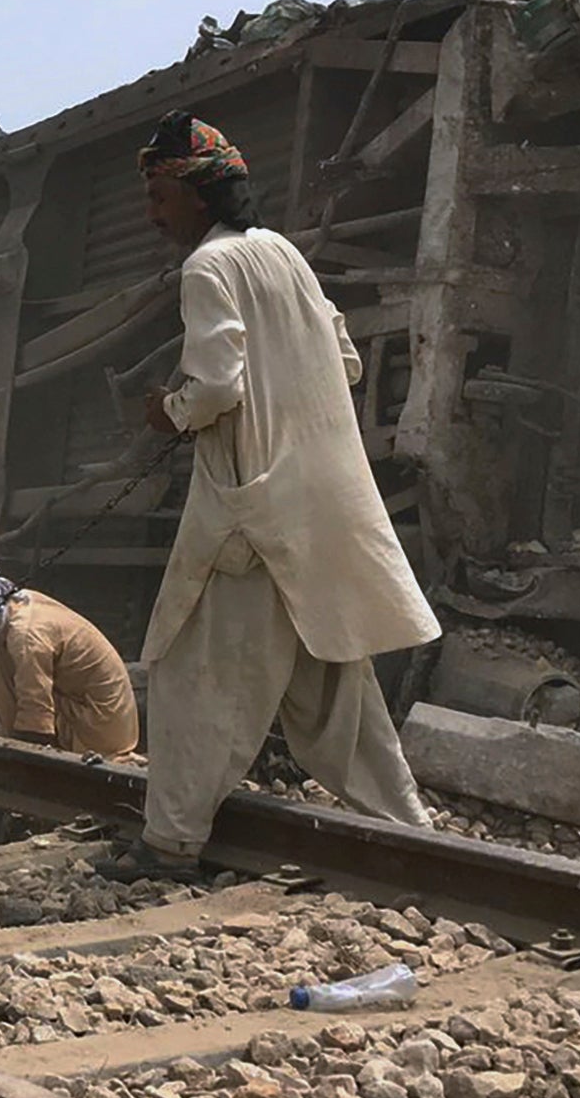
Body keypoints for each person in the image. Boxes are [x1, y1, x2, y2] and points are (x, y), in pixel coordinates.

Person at [96, 112, 438, 884]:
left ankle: (170, 844)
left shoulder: (207, 269)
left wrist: (170, 410)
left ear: (197, 192)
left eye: (157, 194)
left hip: (251, 512)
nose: (151, 214)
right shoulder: (281, 252)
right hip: (324, 504)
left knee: (193, 674)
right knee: (332, 693)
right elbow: (343, 359)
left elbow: (217, 384)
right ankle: (418, 841)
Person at [0, 562, 139, 756]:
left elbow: (35, 707)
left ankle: (24, 741)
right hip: (106, 719)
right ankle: (10, 733)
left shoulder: (25, 634)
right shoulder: (21, 601)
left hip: (101, 730)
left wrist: (16, 759)